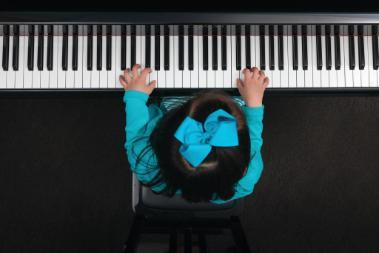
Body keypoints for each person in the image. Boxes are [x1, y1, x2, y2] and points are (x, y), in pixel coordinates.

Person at [121, 64, 269, 204]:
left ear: (167, 130)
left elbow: (136, 134)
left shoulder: (146, 163)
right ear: (243, 167)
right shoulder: (248, 177)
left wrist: (135, 96)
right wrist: (254, 104)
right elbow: (254, 139)